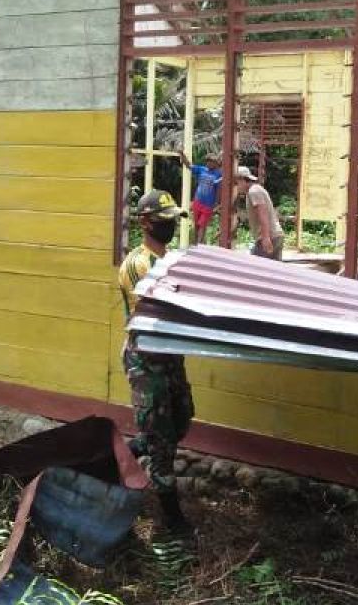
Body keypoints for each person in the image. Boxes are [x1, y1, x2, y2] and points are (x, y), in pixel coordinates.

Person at [118, 189, 194, 533]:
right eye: (163, 222)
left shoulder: (171, 258)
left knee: (180, 419)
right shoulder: (138, 264)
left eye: (172, 221)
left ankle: (124, 454)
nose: (170, 228)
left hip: (170, 356)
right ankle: (172, 524)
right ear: (146, 223)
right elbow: (158, 308)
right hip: (147, 362)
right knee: (162, 441)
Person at [236, 166, 284, 260]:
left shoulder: (253, 191)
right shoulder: (256, 190)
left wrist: (265, 237)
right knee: (273, 272)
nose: (236, 186)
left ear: (242, 180)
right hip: (275, 235)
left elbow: (263, 213)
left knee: (257, 269)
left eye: (236, 183)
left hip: (269, 237)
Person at [178, 152, 223, 245]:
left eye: (212, 162)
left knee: (202, 225)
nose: (209, 163)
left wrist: (216, 204)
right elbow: (189, 165)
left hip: (208, 205)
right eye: (208, 161)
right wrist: (182, 155)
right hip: (197, 202)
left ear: (216, 163)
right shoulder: (201, 170)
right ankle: (196, 245)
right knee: (196, 225)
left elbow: (218, 190)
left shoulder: (218, 174)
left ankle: (199, 246)